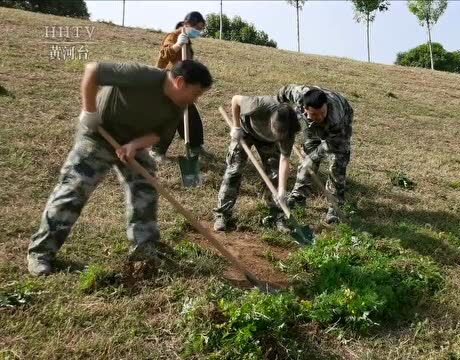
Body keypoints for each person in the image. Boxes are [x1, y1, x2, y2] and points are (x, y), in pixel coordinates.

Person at [26, 60, 213, 276]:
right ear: (180, 82)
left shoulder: (179, 106)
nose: (196, 99)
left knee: (145, 187)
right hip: (98, 135)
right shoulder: (143, 76)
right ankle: (41, 253)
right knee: (73, 189)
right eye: (196, 93)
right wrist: (89, 111)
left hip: (131, 142)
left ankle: (144, 248)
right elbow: (92, 70)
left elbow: (158, 135)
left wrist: (134, 145)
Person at [213, 95, 301, 232]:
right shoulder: (258, 105)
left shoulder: (288, 131)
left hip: (267, 142)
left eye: (281, 135)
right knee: (234, 171)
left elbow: (284, 159)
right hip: (245, 131)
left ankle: (277, 216)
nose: (280, 136)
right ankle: (222, 214)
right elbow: (235, 100)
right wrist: (236, 127)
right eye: (277, 131)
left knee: (275, 175)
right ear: (272, 121)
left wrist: (282, 190)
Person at [277, 85, 353, 224]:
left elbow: (330, 144)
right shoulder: (298, 94)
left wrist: (312, 158)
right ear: (305, 109)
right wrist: (278, 111)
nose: (320, 117)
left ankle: (335, 206)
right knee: (308, 155)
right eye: (315, 114)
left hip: (340, 128)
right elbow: (282, 92)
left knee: (337, 163)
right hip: (310, 126)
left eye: (322, 112)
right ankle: (298, 196)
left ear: (326, 107)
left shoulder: (335, 116)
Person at [150, 11, 207, 162]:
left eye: (201, 29)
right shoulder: (173, 36)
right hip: (168, 84)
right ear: (187, 24)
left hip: (182, 85)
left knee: (191, 116)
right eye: (198, 28)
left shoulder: (187, 40)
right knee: (172, 117)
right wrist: (176, 46)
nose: (199, 32)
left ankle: (196, 147)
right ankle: (157, 151)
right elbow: (162, 57)